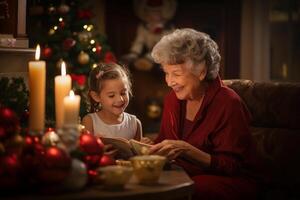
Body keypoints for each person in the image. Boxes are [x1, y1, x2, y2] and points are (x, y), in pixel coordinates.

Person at [149, 28, 260, 200]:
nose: (170, 82)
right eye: (166, 73)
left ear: (201, 72)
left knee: (193, 188)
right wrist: (148, 146)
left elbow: (233, 166)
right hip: (185, 176)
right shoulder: (172, 99)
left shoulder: (228, 103)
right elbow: (164, 141)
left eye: (176, 74)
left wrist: (187, 150)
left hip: (230, 180)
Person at [82, 63, 144, 149]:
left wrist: (145, 147)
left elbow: (139, 158)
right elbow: (85, 154)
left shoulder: (135, 123)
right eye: (111, 95)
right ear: (96, 96)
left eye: (123, 93)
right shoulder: (90, 122)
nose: (120, 99)